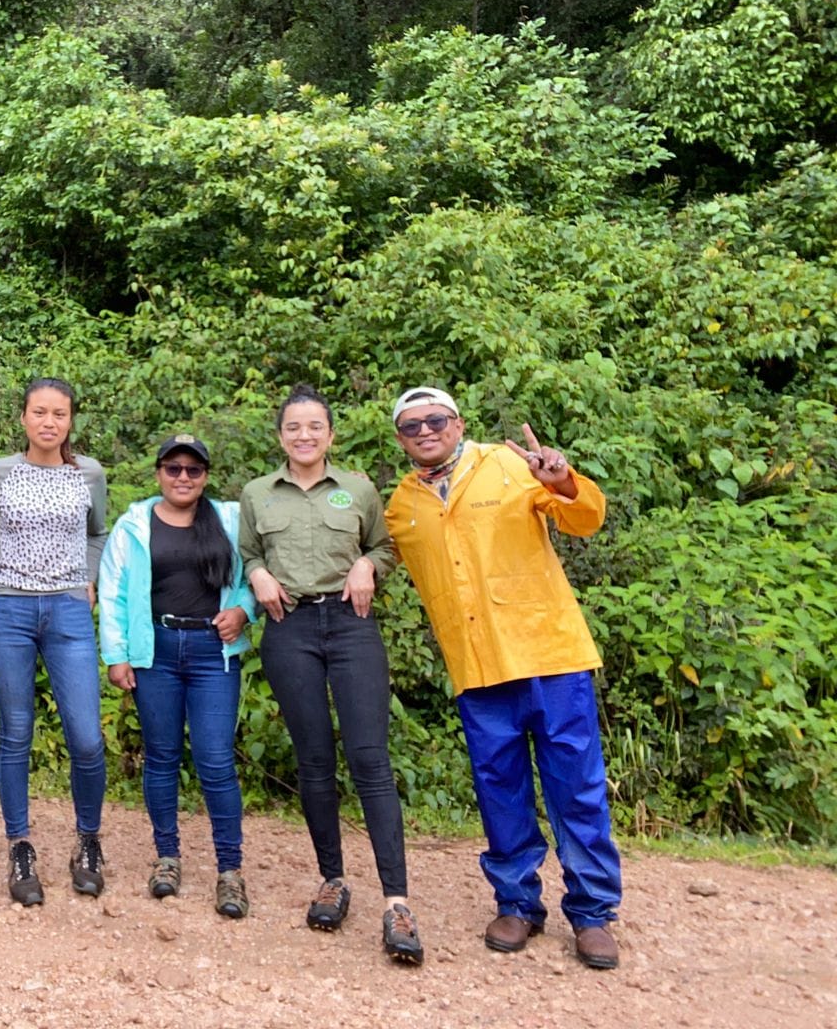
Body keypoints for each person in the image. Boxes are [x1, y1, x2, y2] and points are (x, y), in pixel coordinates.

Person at [383, 386, 622, 969]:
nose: (425, 432)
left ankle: (592, 914)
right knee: (499, 790)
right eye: (411, 427)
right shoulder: (401, 506)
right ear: (400, 439)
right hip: (478, 666)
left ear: (458, 423)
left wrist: (562, 479)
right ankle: (517, 903)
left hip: (551, 655)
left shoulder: (511, 466)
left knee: (577, 786)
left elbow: (584, 518)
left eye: (435, 420)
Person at [239, 384, 423, 965]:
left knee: (370, 757)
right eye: (293, 427)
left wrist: (369, 562)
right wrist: (258, 573)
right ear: (280, 436)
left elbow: (388, 547)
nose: (304, 436)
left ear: (330, 434)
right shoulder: (257, 495)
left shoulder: (359, 489)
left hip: (351, 627)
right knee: (314, 758)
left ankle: (397, 901)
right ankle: (333, 880)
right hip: (289, 628)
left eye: (314, 426)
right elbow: (247, 553)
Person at [98, 433, 256, 918]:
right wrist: (116, 655)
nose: (183, 478)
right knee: (162, 757)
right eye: (173, 468)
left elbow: (255, 575)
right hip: (156, 652)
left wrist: (245, 611)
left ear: (205, 475)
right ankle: (167, 857)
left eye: (193, 470)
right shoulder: (134, 525)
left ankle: (230, 871)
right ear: (158, 473)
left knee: (214, 762)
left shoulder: (228, 520)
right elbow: (114, 592)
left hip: (214, 652)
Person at [0, 378, 110, 905]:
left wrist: (89, 579)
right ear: (24, 418)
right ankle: (20, 845)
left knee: (86, 737)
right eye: (39, 412)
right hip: (9, 607)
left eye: (59, 414)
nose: (49, 422)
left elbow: (97, 532)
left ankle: (89, 839)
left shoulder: (89, 474)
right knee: (15, 732)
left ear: (71, 420)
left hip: (68, 609)